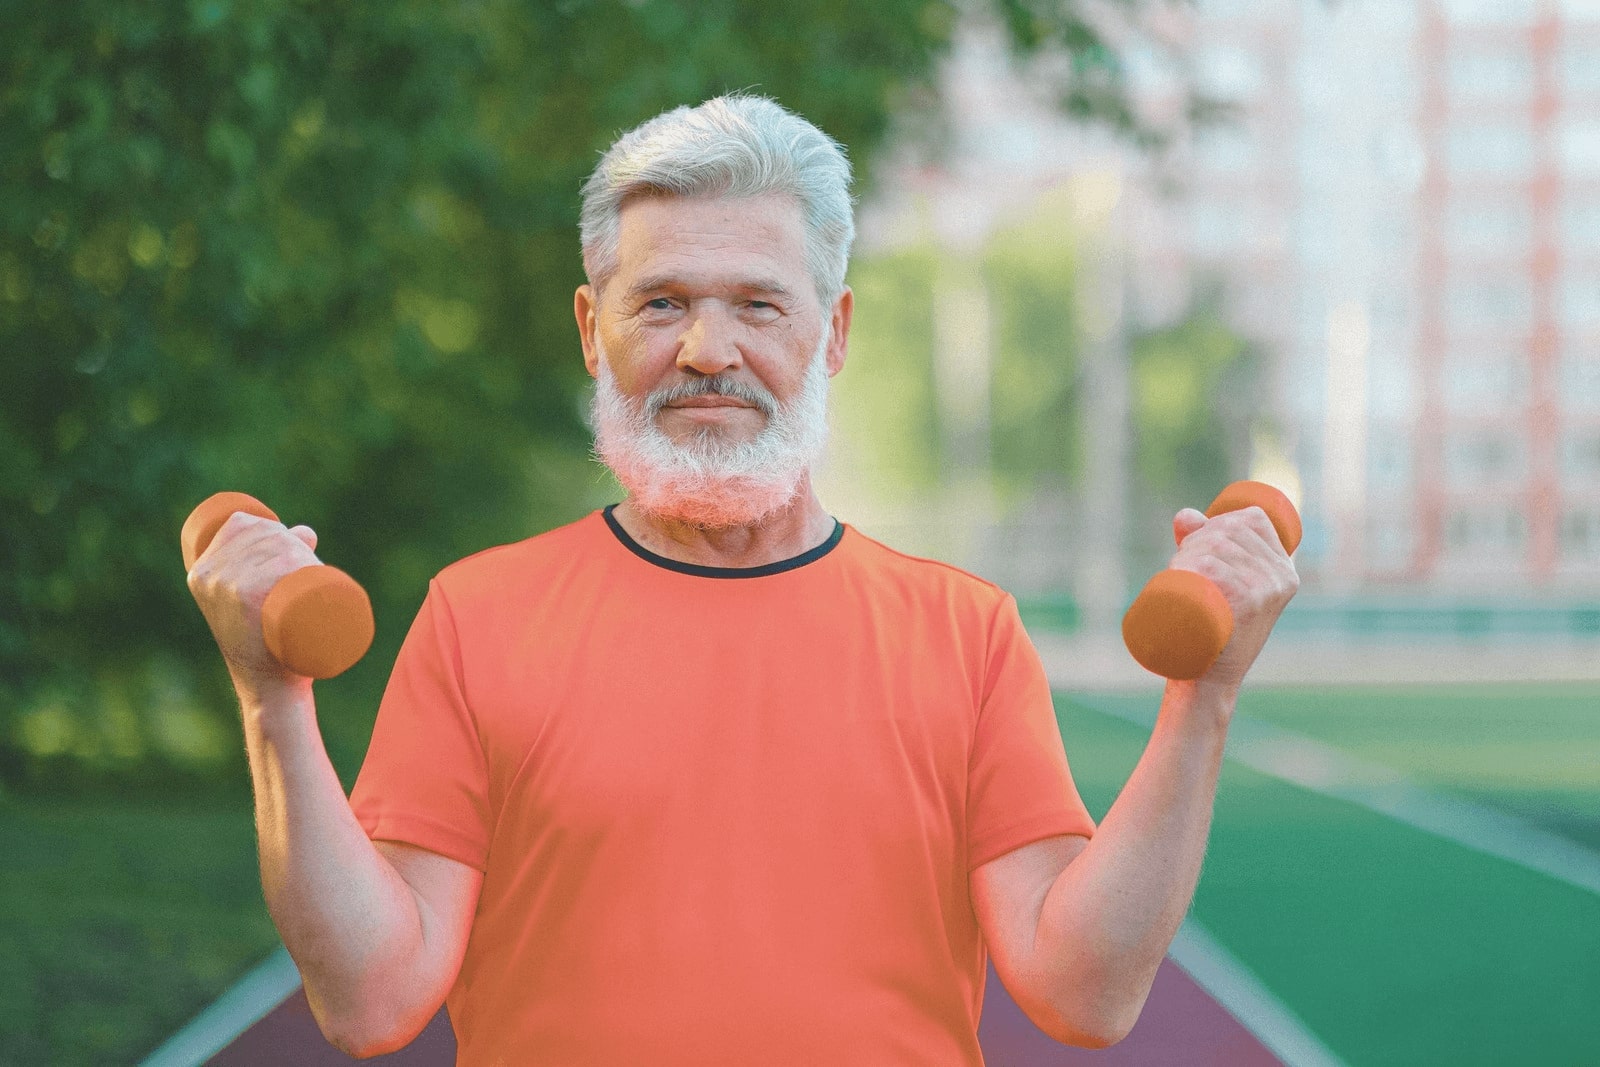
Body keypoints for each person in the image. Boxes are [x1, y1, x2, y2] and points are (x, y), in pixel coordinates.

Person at [185, 93, 1299, 1064]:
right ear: (593, 329)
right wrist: (270, 699)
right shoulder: (479, 615)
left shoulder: (966, 632)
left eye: (758, 304)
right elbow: (370, 1001)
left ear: (833, 331)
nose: (707, 348)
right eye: (661, 301)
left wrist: (1203, 701)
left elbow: (1084, 993)